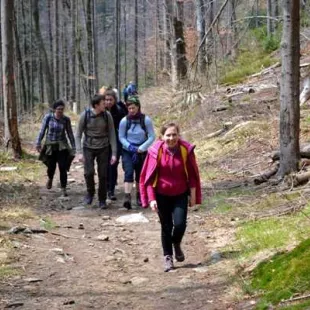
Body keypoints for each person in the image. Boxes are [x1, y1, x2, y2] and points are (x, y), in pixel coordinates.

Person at [139, 123, 202, 272]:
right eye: (168, 135)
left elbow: (193, 175)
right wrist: (151, 199)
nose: (171, 138)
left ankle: (176, 243)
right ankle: (168, 257)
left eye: (174, 135)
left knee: (180, 224)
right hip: (161, 196)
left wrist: (193, 195)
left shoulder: (185, 151)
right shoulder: (155, 152)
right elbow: (149, 178)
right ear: (162, 137)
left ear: (179, 136)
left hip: (180, 194)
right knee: (166, 227)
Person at [75, 94, 117, 209]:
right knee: (88, 173)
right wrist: (79, 152)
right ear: (96, 105)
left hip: (103, 147)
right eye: (103, 103)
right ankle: (90, 193)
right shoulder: (86, 115)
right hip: (88, 147)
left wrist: (114, 153)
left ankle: (102, 199)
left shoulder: (107, 115)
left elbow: (112, 134)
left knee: (103, 174)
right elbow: (78, 134)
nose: (106, 104)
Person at [118, 95, 155, 210]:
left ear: (138, 107)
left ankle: (140, 196)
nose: (131, 110)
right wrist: (129, 146)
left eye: (133, 108)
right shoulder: (124, 121)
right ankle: (127, 197)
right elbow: (121, 137)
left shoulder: (146, 120)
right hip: (128, 151)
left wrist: (142, 148)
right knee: (128, 172)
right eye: (129, 108)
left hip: (141, 151)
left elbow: (152, 136)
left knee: (140, 175)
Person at [36, 100, 76, 197]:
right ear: (54, 110)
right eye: (58, 109)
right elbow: (42, 131)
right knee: (51, 166)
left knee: (63, 167)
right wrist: (38, 143)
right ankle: (50, 178)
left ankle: (63, 188)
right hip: (50, 145)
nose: (60, 111)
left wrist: (74, 146)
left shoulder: (66, 119)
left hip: (62, 146)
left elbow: (70, 133)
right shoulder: (48, 117)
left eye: (62, 109)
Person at [103, 89, 127, 200]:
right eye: (106, 100)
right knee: (104, 165)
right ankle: (106, 187)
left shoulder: (120, 111)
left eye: (110, 100)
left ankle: (111, 190)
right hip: (103, 140)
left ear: (114, 100)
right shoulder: (100, 110)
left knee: (113, 164)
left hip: (117, 140)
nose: (108, 102)